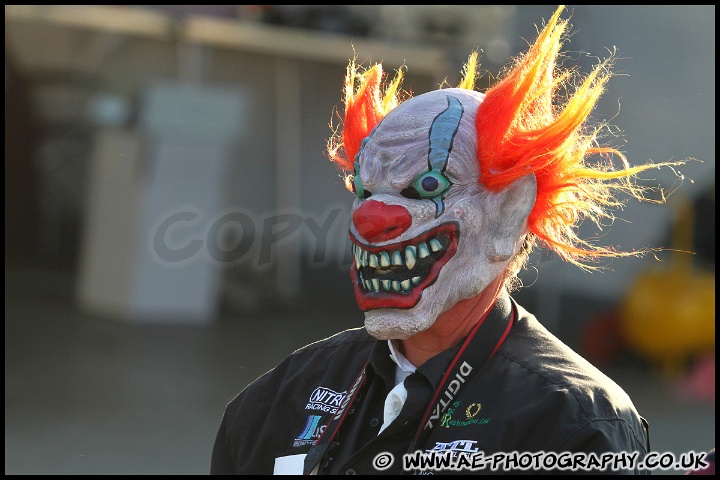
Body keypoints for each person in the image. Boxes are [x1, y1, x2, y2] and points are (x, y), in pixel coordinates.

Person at [211, 6, 686, 475]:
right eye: (366, 189)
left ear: (507, 213)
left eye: (429, 186)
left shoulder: (571, 423)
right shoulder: (282, 399)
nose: (373, 218)